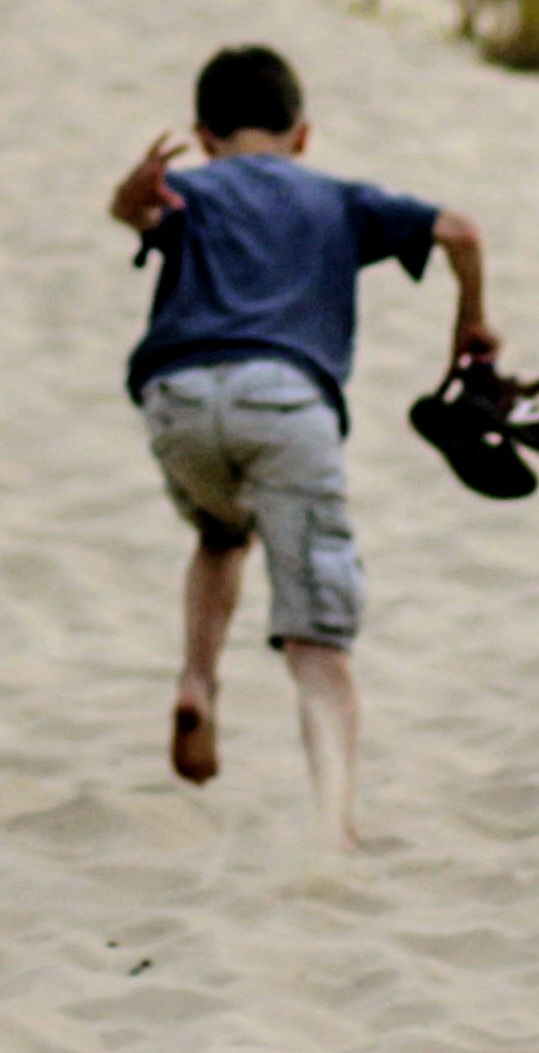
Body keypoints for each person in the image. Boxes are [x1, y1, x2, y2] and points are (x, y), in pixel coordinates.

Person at [104, 42, 490, 853]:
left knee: (219, 532)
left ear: (204, 134)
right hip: (283, 402)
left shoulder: (194, 191)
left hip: (177, 402)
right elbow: (461, 231)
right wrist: (471, 324)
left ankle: (197, 682)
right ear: (303, 134)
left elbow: (140, 214)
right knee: (319, 636)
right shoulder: (337, 198)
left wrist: (128, 200)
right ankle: (335, 826)